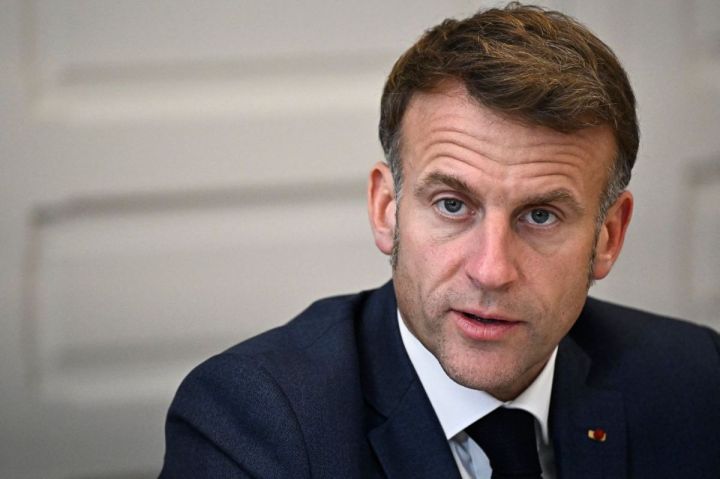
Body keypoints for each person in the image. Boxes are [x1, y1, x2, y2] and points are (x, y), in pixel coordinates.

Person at [160, 3, 720, 478]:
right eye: (453, 205)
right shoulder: (256, 421)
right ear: (387, 209)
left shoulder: (696, 378)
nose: (491, 270)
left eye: (541, 216)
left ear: (608, 236)